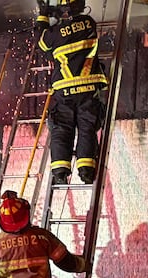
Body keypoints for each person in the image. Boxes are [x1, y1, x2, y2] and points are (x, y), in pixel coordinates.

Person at [36, 0, 108, 185]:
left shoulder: (54, 33)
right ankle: (86, 171)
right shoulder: (89, 23)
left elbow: (41, 44)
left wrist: (44, 16)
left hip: (64, 90)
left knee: (62, 130)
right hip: (88, 88)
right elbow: (72, 30)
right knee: (87, 129)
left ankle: (60, 172)